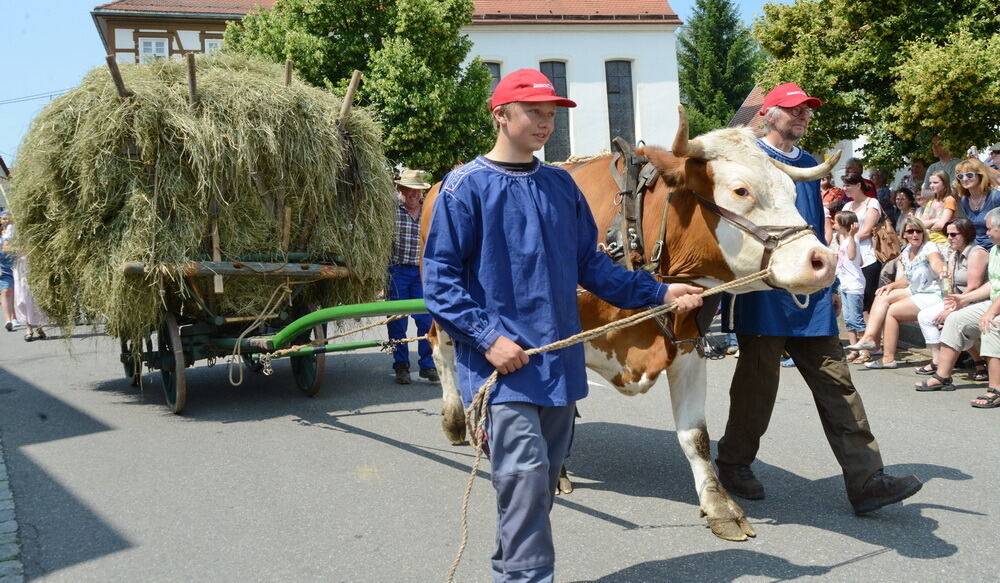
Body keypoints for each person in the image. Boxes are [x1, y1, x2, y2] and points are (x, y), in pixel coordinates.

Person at [421, 68, 704, 582]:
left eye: (552, 113)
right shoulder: (465, 187)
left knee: (538, 482)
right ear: (500, 114)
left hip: (558, 365)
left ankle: (515, 570)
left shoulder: (559, 185)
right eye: (535, 111)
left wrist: (660, 292)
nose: (546, 122)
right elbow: (440, 284)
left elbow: (591, 267)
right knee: (525, 477)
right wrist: (488, 340)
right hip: (499, 369)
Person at [717, 82, 921, 515]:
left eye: (806, 110)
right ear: (767, 114)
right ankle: (733, 463)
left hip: (809, 295)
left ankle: (867, 481)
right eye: (793, 110)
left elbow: (814, 230)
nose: (803, 116)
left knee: (838, 386)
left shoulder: (809, 166)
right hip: (764, 292)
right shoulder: (746, 160)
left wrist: (826, 283)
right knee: (757, 391)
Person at [915, 208, 1000, 409]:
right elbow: (994, 285)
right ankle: (943, 376)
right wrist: (964, 299)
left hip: (996, 307)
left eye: (990, 229)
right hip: (994, 302)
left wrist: (990, 312)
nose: (986, 233)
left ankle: (996, 389)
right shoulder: (996, 250)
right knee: (955, 319)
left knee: (991, 326)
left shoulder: (979, 252)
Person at [846, 217, 944, 368]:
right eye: (910, 231)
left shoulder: (929, 247)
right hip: (915, 290)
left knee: (892, 311)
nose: (915, 235)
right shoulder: (906, 252)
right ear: (904, 234)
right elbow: (906, 280)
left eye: (918, 231)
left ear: (923, 233)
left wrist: (941, 270)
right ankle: (870, 338)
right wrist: (892, 285)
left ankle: (887, 358)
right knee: (882, 294)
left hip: (932, 294)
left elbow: (936, 261)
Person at [914, 219, 988, 376]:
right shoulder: (954, 253)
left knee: (951, 320)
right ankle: (938, 360)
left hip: (976, 300)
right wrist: (948, 305)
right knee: (925, 316)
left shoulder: (976, 253)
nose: (949, 238)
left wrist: (952, 309)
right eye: (947, 234)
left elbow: (973, 287)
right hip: (959, 299)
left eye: (953, 234)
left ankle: (979, 362)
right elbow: (951, 285)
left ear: (966, 234)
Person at [387, 169, 438, 385]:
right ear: (401, 190)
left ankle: (427, 365)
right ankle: (401, 366)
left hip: (420, 272)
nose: (413, 194)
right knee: (398, 320)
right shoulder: (392, 212)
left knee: (425, 319)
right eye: (409, 190)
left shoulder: (429, 211)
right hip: (397, 270)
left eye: (417, 191)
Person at [841, 173, 882, 319]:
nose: (845, 188)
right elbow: (841, 231)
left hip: (867, 256)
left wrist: (849, 239)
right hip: (849, 259)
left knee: (866, 300)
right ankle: (858, 336)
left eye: (848, 185)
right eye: (844, 185)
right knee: (852, 300)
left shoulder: (872, 203)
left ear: (858, 185)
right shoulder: (847, 206)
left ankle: (870, 336)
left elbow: (866, 231)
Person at [833, 211, 866, 361]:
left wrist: (852, 236)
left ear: (844, 225)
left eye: (836, 222)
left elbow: (852, 256)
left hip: (854, 285)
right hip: (846, 284)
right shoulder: (844, 240)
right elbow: (860, 262)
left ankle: (865, 351)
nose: (834, 224)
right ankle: (854, 349)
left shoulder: (853, 240)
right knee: (849, 319)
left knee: (857, 319)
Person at [954, 157, 1000, 251]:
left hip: (995, 248)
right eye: (960, 176)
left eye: (970, 175)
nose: (965, 179)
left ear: (980, 176)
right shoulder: (964, 200)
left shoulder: (995, 197)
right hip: (975, 248)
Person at [917, 170, 958, 255]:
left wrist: (929, 225)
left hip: (943, 242)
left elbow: (941, 225)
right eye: (930, 183)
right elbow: (921, 224)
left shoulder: (949, 200)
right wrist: (935, 220)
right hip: (928, 242)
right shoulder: (931, 201)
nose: (932, 186)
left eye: (935, 183)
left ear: (944, 184)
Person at [0, 210, 16, 331]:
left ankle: (15, 317)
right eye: (3, 218)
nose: (6, 220)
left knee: (15, 292)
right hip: (2, 266)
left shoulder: (14, 232)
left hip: (15, 264)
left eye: (8, 218)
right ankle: (8, 320)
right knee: (5, 291)